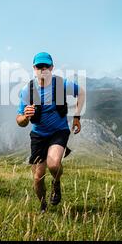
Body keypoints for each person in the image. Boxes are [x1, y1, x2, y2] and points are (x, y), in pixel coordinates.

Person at [16, 52, 86, 213]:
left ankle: (56, 182)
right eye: (39, 66)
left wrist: (77, 117)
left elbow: (81, 92)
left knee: (54, 164)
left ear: (52, 67)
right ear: (34, 68)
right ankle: (43, 206)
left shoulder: (61, 84)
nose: (43, 69)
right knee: (38, 178)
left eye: (46, 66)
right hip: (38, 134)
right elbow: (19, 121)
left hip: (58, 131)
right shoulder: (27, 90)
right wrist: (25, 117)